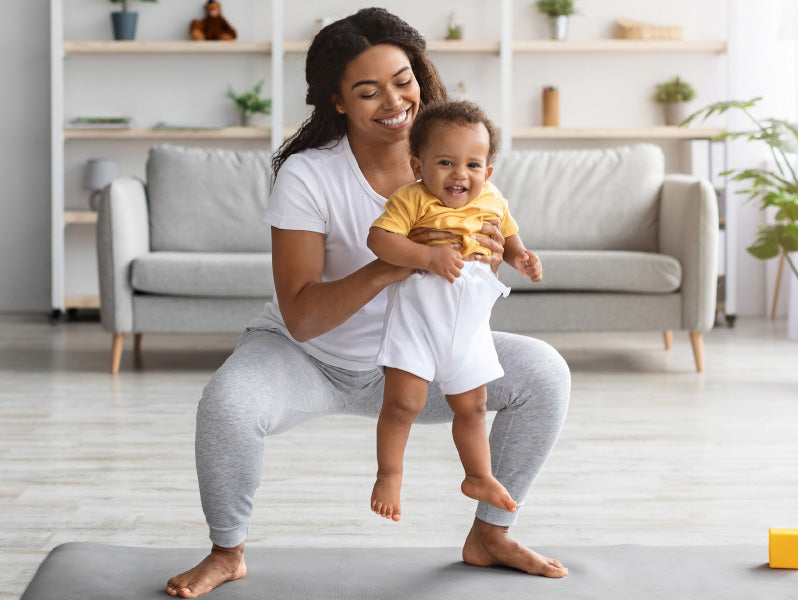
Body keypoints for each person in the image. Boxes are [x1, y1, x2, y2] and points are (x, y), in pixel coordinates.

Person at [165, 8, 570, 598]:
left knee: (545, 373)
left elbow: (474, 277)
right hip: (309, 358)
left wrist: (489, 260)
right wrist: (399, 262)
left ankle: (490, 536)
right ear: (337, 101)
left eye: (403, 81)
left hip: (414, 358)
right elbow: (303, 317)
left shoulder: (460, 165)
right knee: (227, 405)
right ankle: (226, 552)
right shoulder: (309, 176)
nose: (394, 101)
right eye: (368, 90)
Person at [368, 99, 543, 522]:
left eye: (472, 165)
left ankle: (478, 475)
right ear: (418, 165)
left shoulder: (494, 200)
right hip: (418, 320)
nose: (460, 174)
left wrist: (521, 258)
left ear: (488, 172)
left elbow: (509, 237)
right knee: (403, 403)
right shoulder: (411, 199)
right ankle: (389, 474)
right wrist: (427, 257)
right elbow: (379, 240)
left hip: (469, 325)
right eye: (445, 162)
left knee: (473, 405)